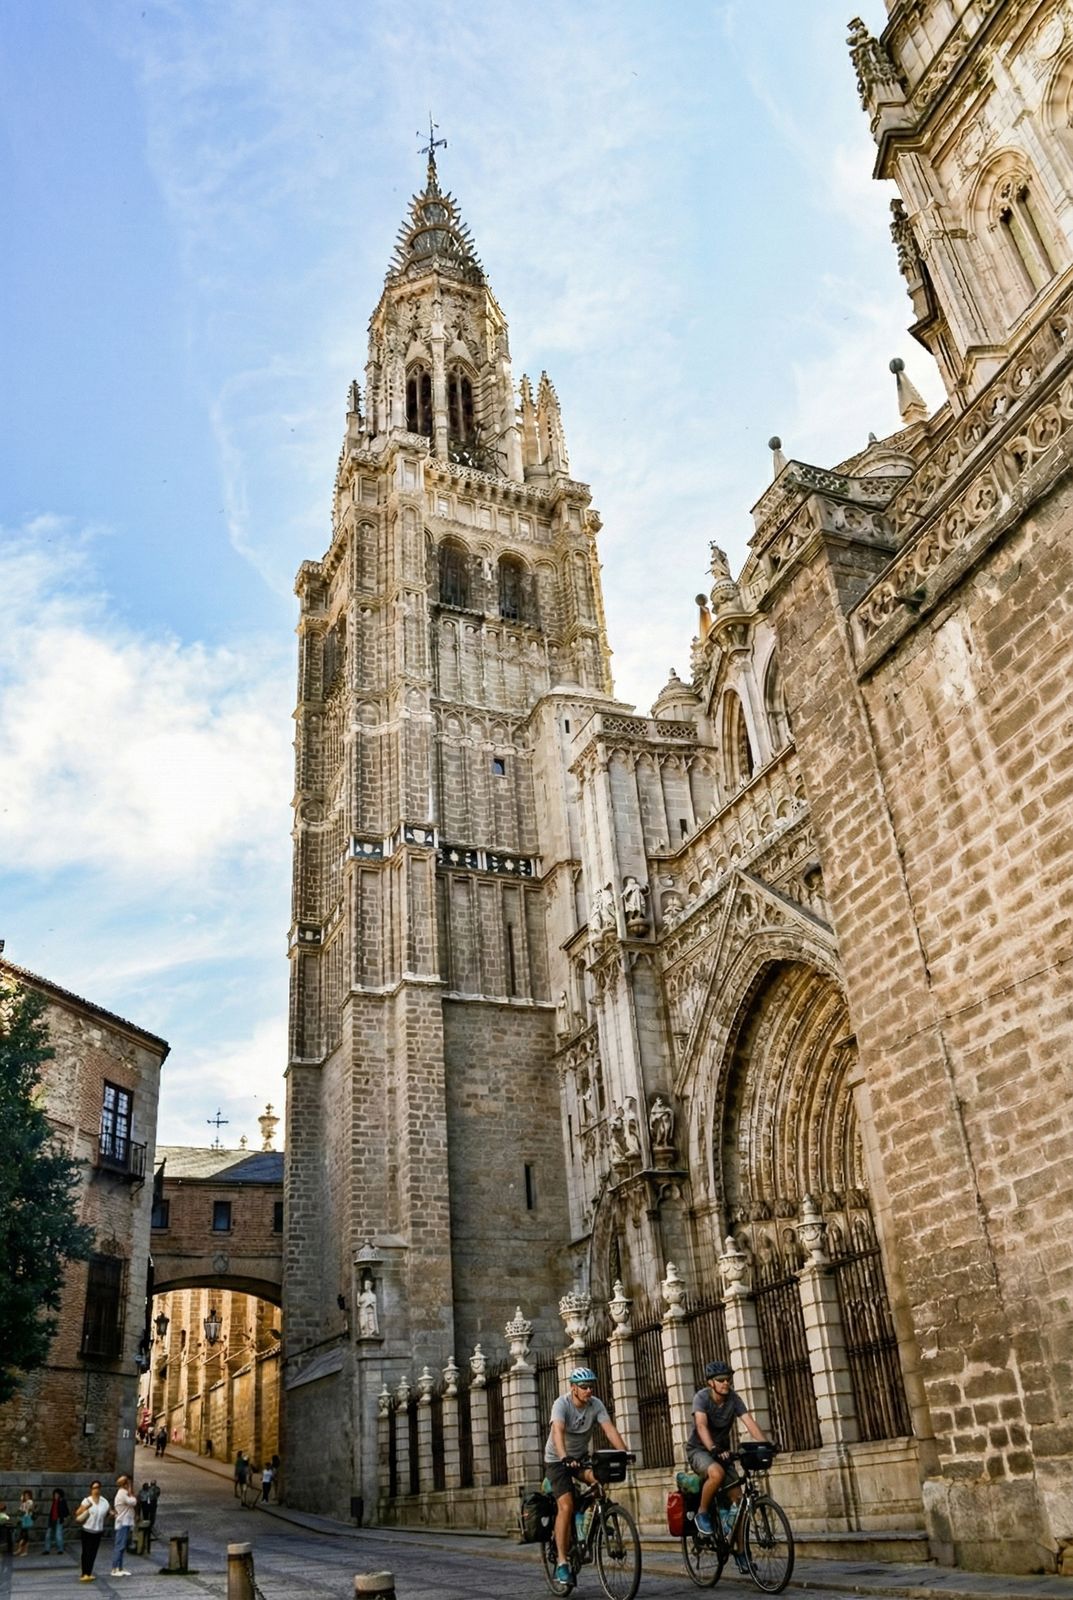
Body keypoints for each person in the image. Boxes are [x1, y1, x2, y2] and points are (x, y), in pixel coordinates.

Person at [544, 1365, 629, 1588]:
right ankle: (562, 1562)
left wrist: (624, 1452)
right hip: (557, 1460)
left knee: (599, 1482)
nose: (588, 1390)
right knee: (566, 1505)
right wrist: (563, 1457)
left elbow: (609, 1429)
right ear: (573, 1388)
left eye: (591, 1386)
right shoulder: (561, 1404)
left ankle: (590, 1522)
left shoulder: (596, 1404)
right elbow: (558, 1432)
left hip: (580, 1459)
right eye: (583, 1387)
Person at [688, 1359, 767, 1552]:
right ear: (711, 1382)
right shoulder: (702, 1398)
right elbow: (701, 1426)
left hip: (722, 1454)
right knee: (716, 1474)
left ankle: (742, 1553)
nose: (725, 1383)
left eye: (728, 1379)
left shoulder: (733, 1398)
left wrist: (765, 1445)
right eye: (721, 1379)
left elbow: (748, 1421)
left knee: (739, 1503)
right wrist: (712, 1447)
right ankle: (702, 1512)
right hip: (699, 1450)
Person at [74, 1480, 110, 1582]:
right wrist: (86, 1507)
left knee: (93, 1553)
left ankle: (89, 1573)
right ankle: (84, 1573)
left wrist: (111, 1514)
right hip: (87, 1530)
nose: (96, 1490)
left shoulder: (104, 1502)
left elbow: (107, 1513)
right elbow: (77, 1513)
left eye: (98, 1487)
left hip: (98, 1531)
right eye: (94, 1488)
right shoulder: (87, 1501)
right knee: (86, 1552)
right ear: (91, 1489)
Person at [110, 1475, 136, 1576]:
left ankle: (120, 1567)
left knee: (122, 1546)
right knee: (119, 1545)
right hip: (123, 1522)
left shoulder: (123, 1493)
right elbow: (133, 1502)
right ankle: (114, 1568)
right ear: (126, 1484)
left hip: (126, 1522)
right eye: (129, 1484)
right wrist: (131, 1493)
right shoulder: (123, 1493)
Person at [43, 1488, 69, 1554]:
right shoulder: (54, 1501)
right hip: (51, 1520)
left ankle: (60, 1549)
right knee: (48, 1535)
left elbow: (66, 1511)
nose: (55, 1496)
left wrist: (64, 1517)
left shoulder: (62, 1501)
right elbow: (52, 1511)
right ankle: (47, 1550)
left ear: (60, 1495)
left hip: (58, 1520)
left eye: (57, 1494)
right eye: (55, 1494)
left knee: (58, 1535)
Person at [15, 1490, 33, 1557]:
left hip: (26, 1520)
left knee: (25, 1536)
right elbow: (20, 1510)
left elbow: (25, 1509)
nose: (26, 1497)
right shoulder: (24, 1502)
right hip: (22, 1520)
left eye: (27, 1495)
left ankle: (24, 1551)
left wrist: (22, 1502)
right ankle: (20, 1550)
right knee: (22, 1535)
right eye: (25, 1495)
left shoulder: (30, 1502)